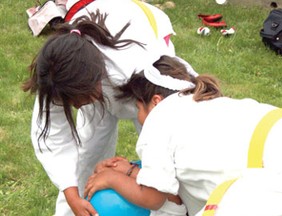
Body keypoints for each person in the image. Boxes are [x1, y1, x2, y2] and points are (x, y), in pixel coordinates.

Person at [22, 0, 177, 215]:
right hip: (100, 81)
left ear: (94, 78)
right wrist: (71, 194)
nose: (75, 105)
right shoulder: (59, 68)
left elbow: (168, 137)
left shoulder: (139, 65)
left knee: (166, 167)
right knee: (86, 157)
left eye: (76, 98)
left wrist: (135, 173)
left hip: (148, 83)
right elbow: (52, 135)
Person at [84, 55, 282, 216]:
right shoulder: (203, 103)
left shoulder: (160, 117)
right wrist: (132, 172)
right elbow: (185, 177)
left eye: (138, 107)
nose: (138, 116)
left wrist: (111, 179)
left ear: (155, 101)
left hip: (272, 178)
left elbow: (152, 198)